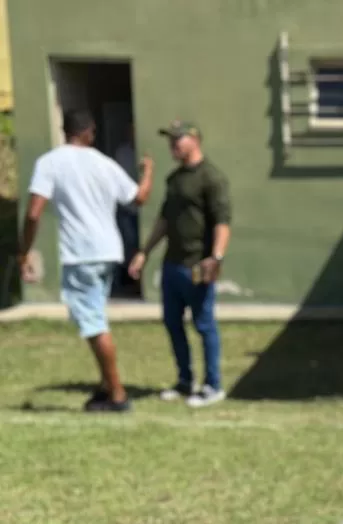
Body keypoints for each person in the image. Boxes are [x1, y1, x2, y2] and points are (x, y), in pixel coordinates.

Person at [17, 109, 153, 412]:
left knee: (93, 324)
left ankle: (117, 395)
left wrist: (24, 250)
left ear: (66, 131)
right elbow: (138, 198)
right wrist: (148, 172)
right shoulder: (105, 164)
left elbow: (33, 212)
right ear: (90, 132)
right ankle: (105, 386)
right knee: (95, 316)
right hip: (108, 251)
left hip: (81, 255)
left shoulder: (50, 163)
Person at [128, 120, 232, 407]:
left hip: (197, 264)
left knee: (204, 324)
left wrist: (216, 257)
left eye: (178, 139)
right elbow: (164, 219)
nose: (172, 145)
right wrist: (144, 252)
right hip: (172, 265)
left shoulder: (212, 178)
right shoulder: (174, 179)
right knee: (173, 323)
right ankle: (185, 381)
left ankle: (213, 386)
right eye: (170, 140)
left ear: (195, 140)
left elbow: (223, 222)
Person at [113, 122, 142, 297]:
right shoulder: (122, 153)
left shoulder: (144, 153)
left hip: (140, 208)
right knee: (129, 247)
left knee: (140, 247)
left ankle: (139, 285)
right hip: (126, 209)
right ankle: (131, 285)